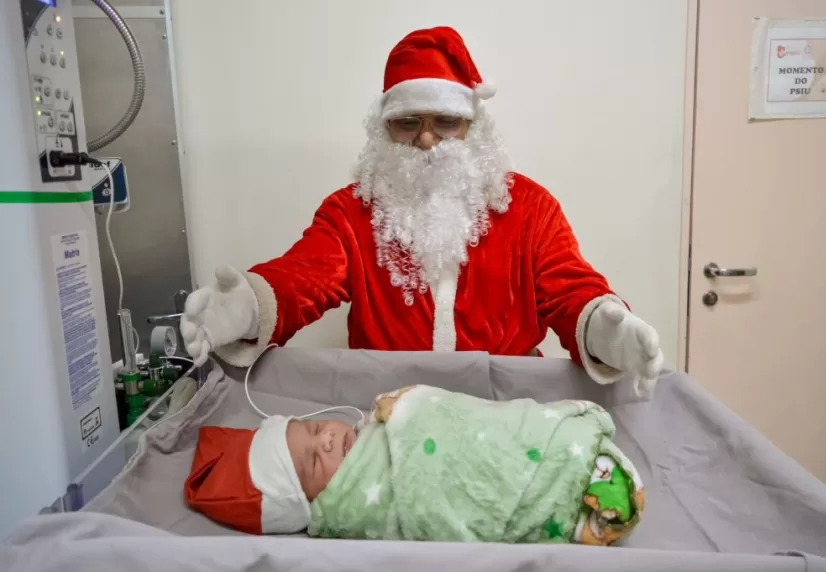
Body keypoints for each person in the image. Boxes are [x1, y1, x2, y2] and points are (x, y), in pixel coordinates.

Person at [179, 26, 664, 390]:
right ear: (384, 129)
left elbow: (570, 291)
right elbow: (302, 278)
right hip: (388, 412)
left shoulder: (530, 209)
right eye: (408, 123)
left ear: (473, 127)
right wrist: (244, 308)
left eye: (446, 122)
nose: (427, 140)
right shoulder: (352, 211)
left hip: (504, 409)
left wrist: (606, 331)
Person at [184, 385, 645, 545]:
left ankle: (566, 448)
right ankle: (565, 483)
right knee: (486, 474)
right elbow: (425, 493)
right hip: (453, 473)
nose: (326, 439)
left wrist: (409, 407)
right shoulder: (346, 506)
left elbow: (457, 418)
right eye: (312, 461)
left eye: (314, 429)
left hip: (490, 431)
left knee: (499, 427)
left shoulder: (370, 427)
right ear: (310, 503)